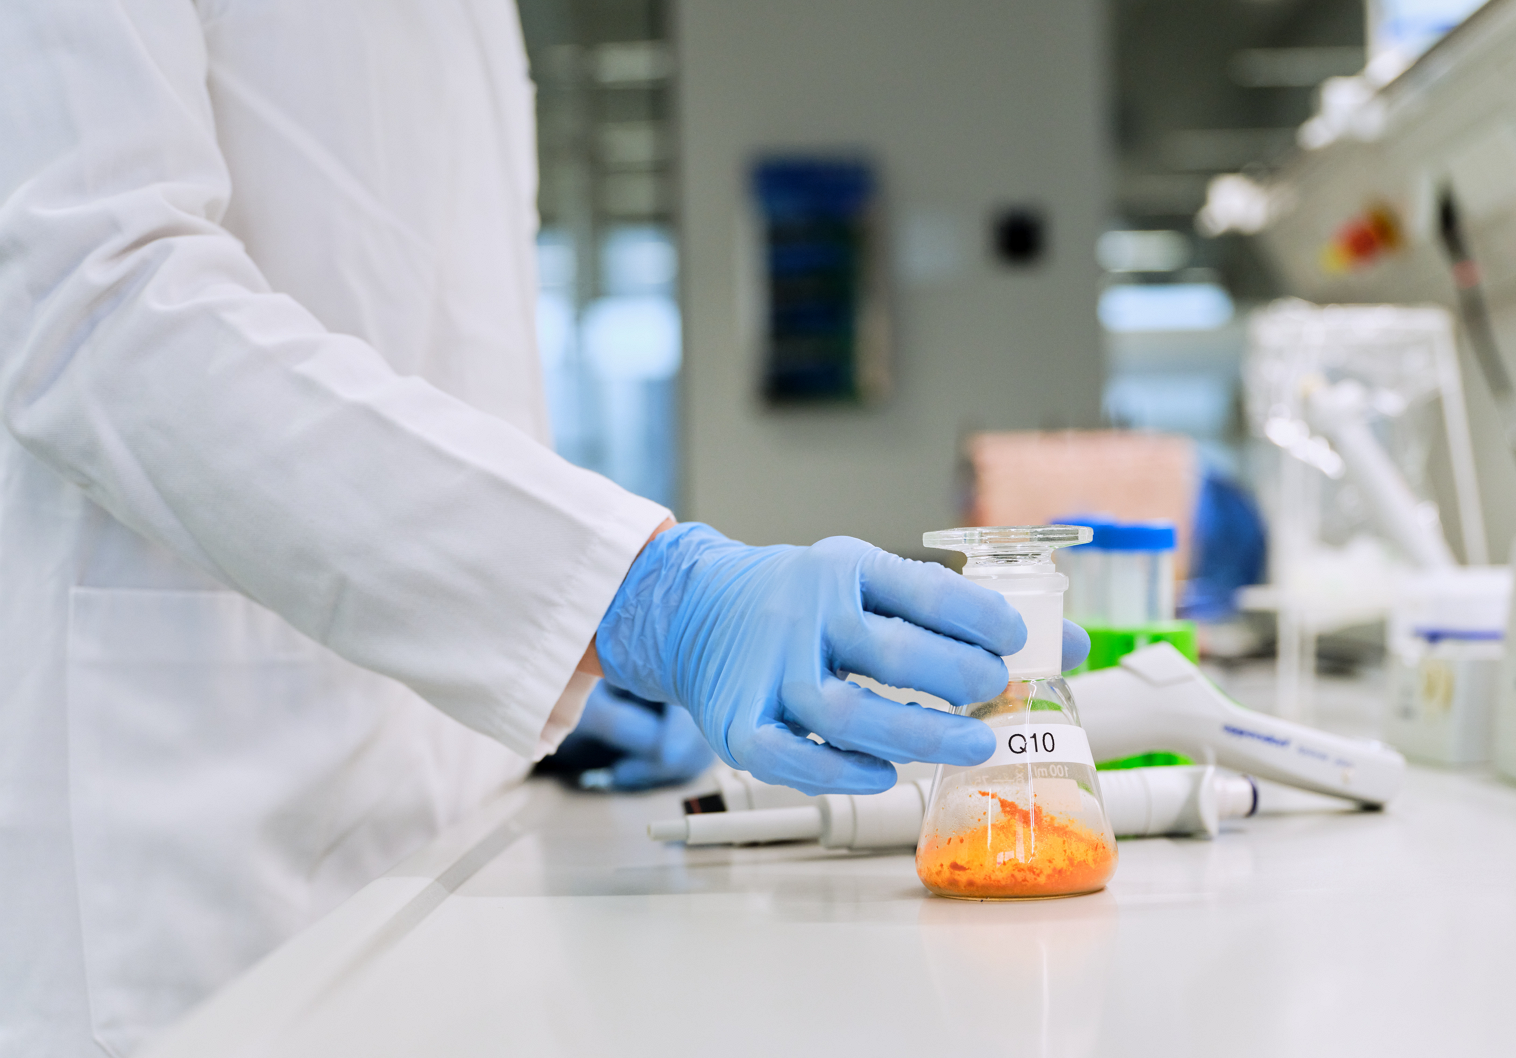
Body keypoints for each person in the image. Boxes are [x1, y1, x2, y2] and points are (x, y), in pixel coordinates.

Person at [0, 4, 1085, 1054]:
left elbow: (439, 364)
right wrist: (624, 589)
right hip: (193, 855)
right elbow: (89, 303)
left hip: (447, 829)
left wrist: (559, 649)